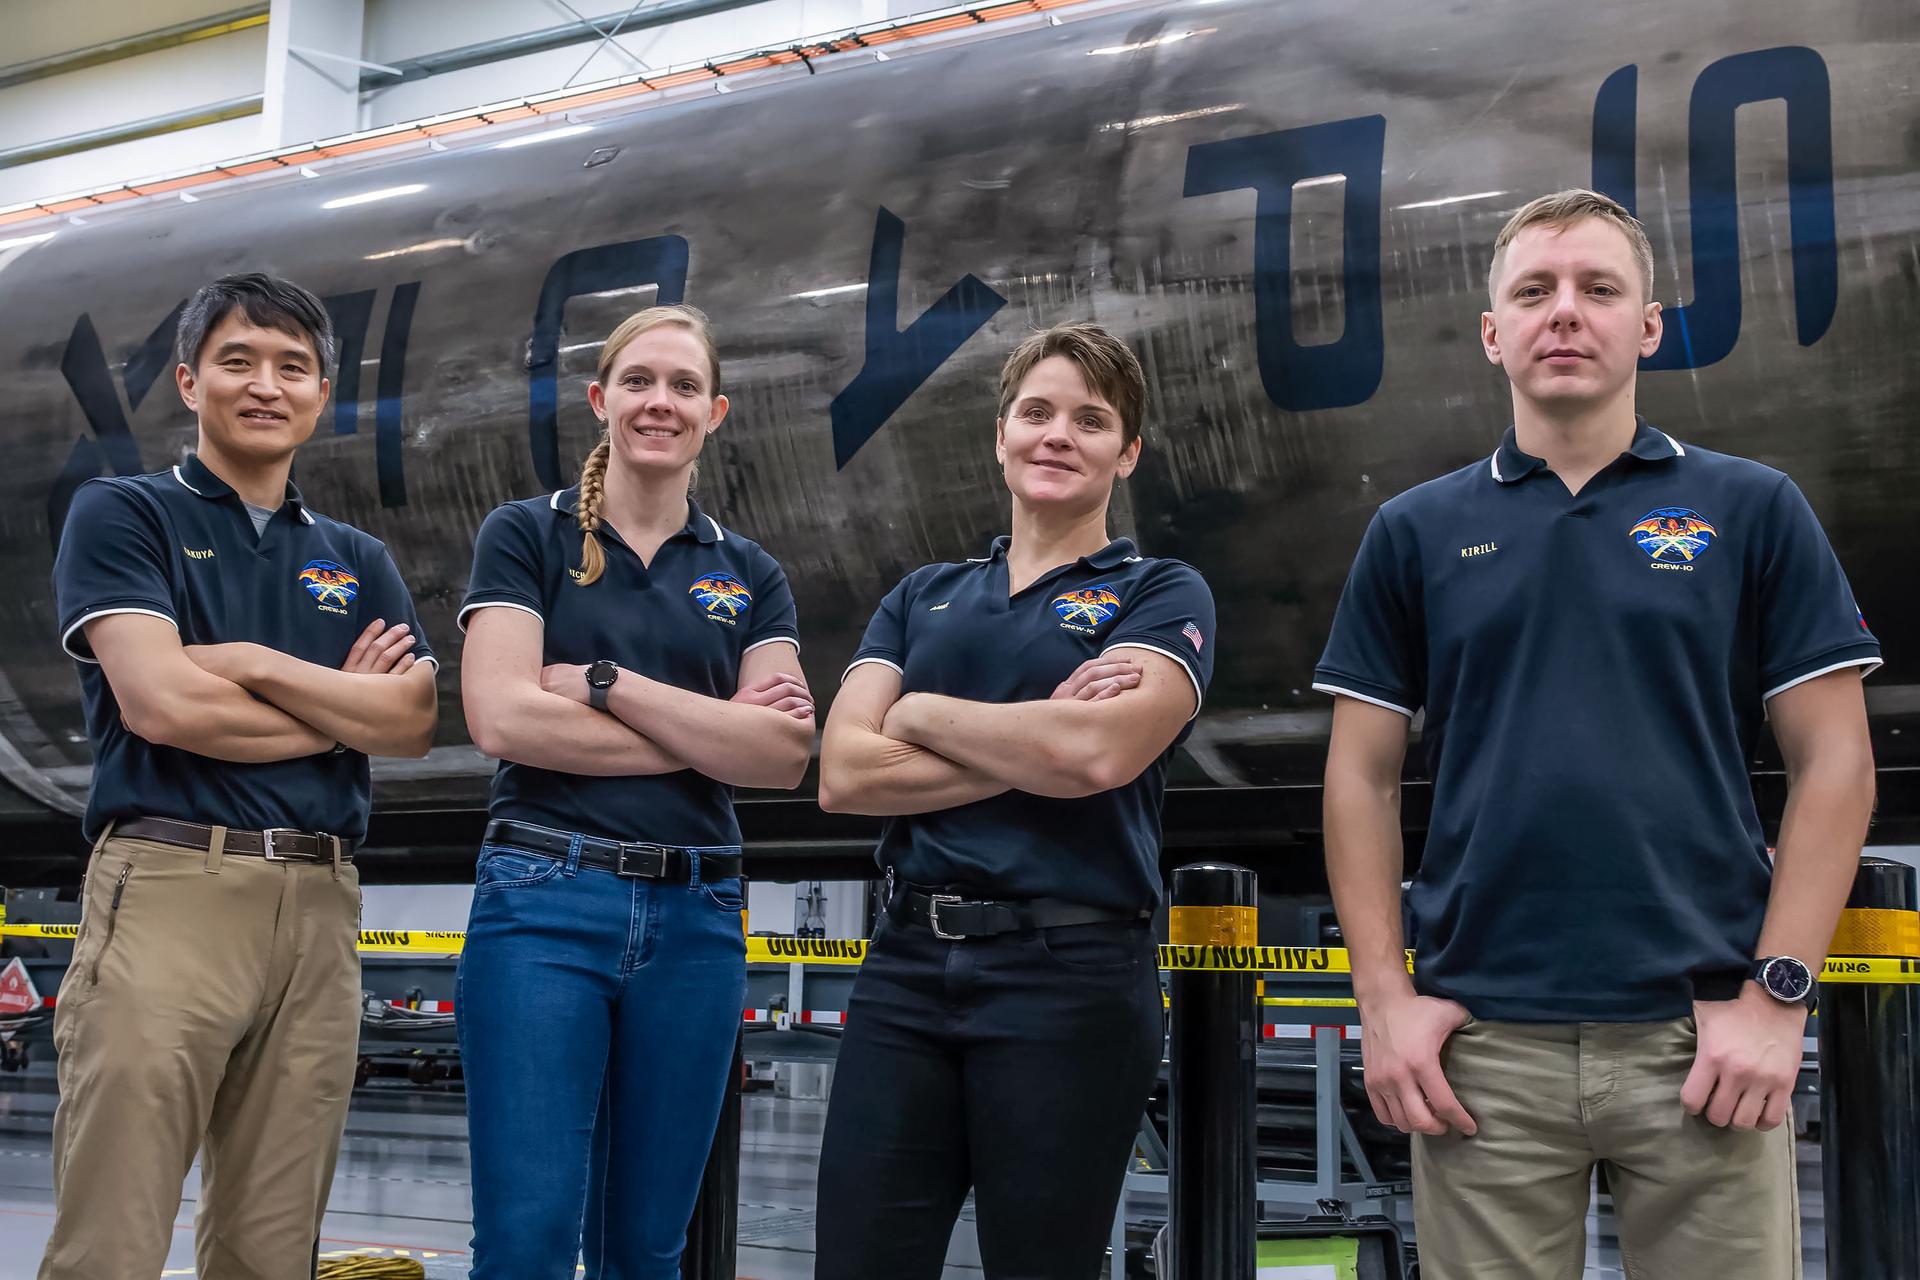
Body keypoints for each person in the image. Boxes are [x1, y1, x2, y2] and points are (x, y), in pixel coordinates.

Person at [1315, 189, 1879, 1279]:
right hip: (1482, 1053)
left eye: (1598, 289)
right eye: (1534, 291)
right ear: (1493, 333)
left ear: (1649, 325)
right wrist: (1384, 1003)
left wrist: (1776, 997)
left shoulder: (1752, 507)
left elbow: (1836, 764)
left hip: (1702, 1038)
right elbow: (1360, 777)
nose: (1564, 312)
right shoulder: (1415, 531)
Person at [42, 272, 439, 1279]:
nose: (266, 384)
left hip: (318, 905)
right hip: (174, 882)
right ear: (188, 380)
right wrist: (333, 706)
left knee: (270, 1248)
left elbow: (410, 720)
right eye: (237, 360)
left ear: (320, 396)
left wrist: (254, 665)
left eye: (293, 366)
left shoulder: (357, 558)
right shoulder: (123, 515)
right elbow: (162, 705)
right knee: (113, 1237)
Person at [813, 322, 1217, 1278]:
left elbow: (1097, 754)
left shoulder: (1159, 592)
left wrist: (916, 710)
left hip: (1070, 976)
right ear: (1000, 437)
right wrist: (1037, 733)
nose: (1057, 435)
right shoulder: (924, 595)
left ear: (1128, 453)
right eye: (1035, 412)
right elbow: (844, 774)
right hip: (907, 969)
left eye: (1090, 419)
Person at [455, 303, 812, 1279]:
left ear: (717, 410)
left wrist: (609, 685)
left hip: (697, 919)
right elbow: (502, 718)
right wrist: (712, 732)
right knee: (525, 1243)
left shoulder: (750, 573)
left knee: (648, 1249)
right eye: (641, 380)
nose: (662, 401)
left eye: (684, 385)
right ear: (600, 397)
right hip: (544, 900)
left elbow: (783, 754)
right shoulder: (525, 535)